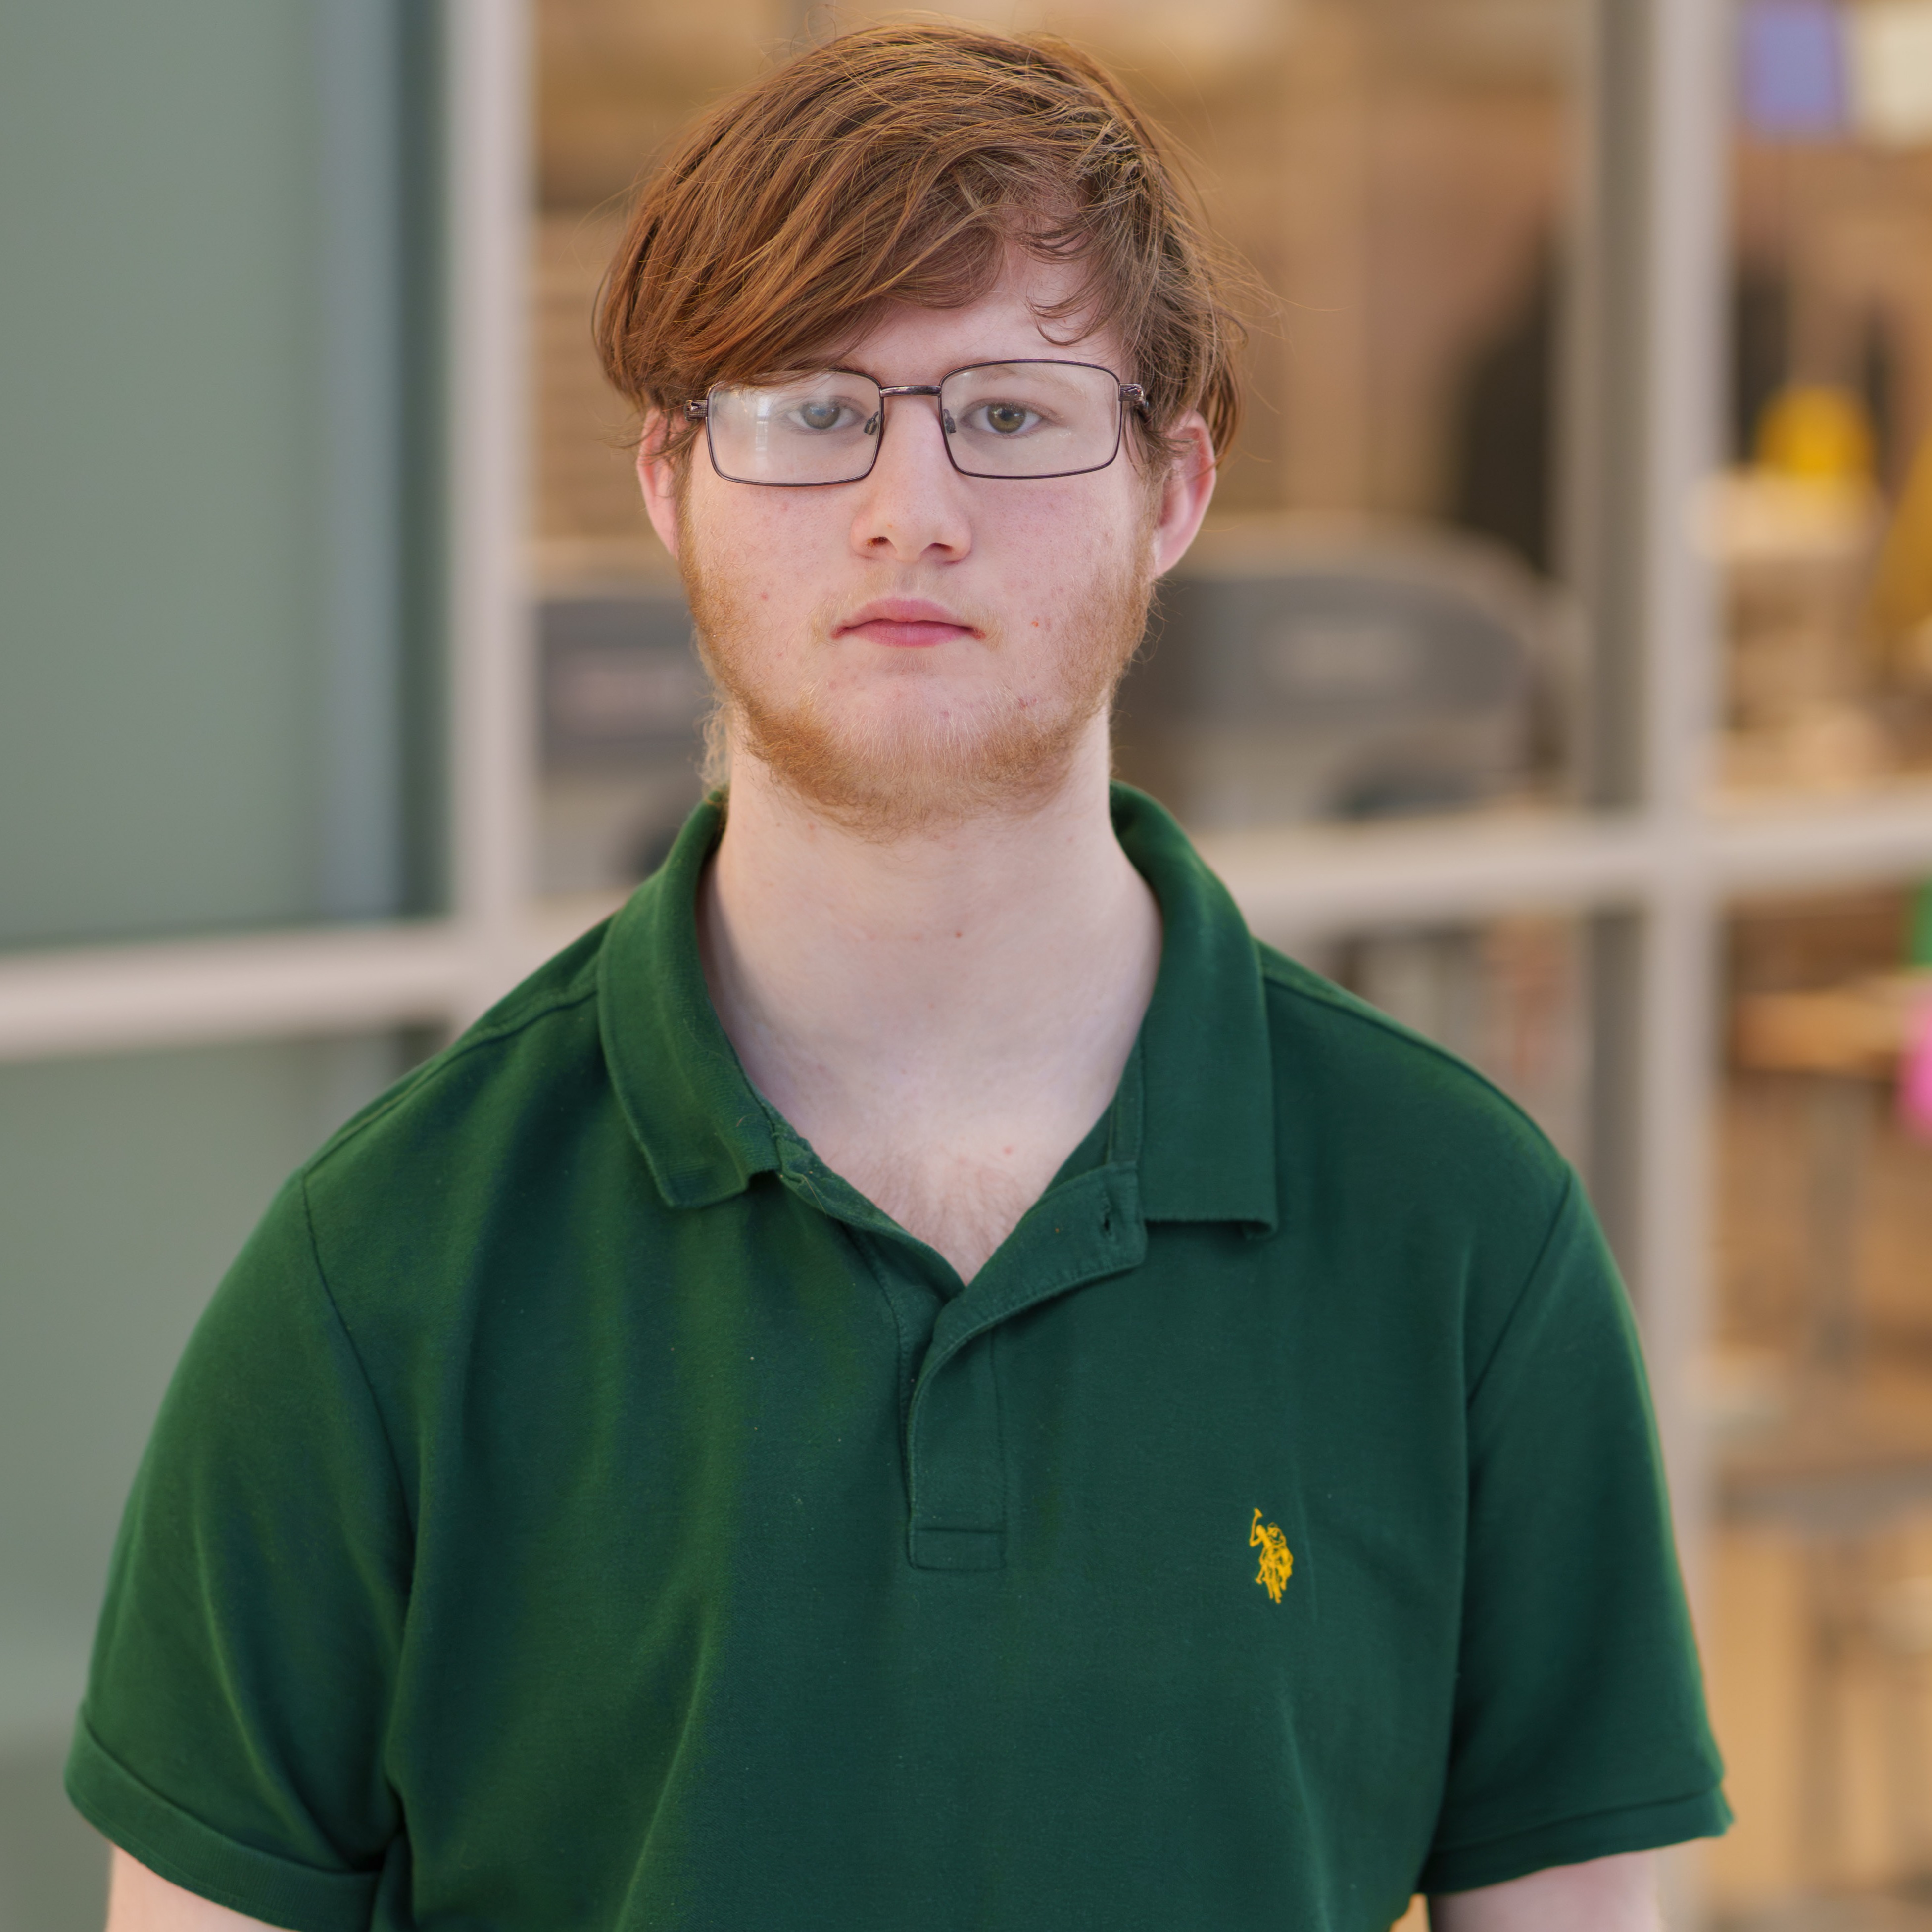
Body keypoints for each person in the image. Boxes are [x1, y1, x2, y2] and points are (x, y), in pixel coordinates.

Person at [74, 25, 1727, 1932]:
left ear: (1176, 488)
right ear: (669, 481)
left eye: (1013, 413)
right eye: (808, 411)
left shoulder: (1461, 1231)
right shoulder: (383, 1274)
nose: (908, 509)